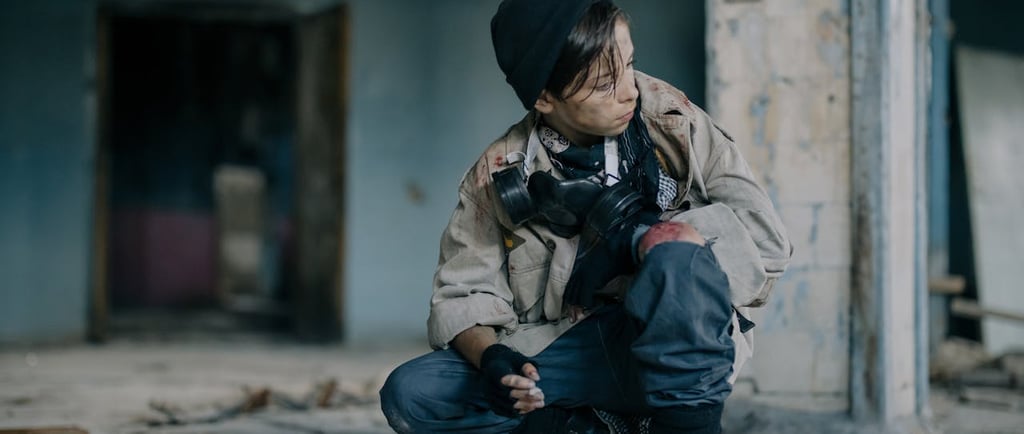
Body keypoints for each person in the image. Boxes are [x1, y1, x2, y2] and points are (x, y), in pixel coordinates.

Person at [380, 0, 792, 432]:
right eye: (603, 84)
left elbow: (768, 244)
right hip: (573, 351)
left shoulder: (673, 121)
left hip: (675, 350)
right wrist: (493, 359)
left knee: (671, 249)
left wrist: (638, 239)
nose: (629, 91)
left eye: (629, 65)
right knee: (413, 393)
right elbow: (463, 296)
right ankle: (576, 422)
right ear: (544, 97)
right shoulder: (499, 174)